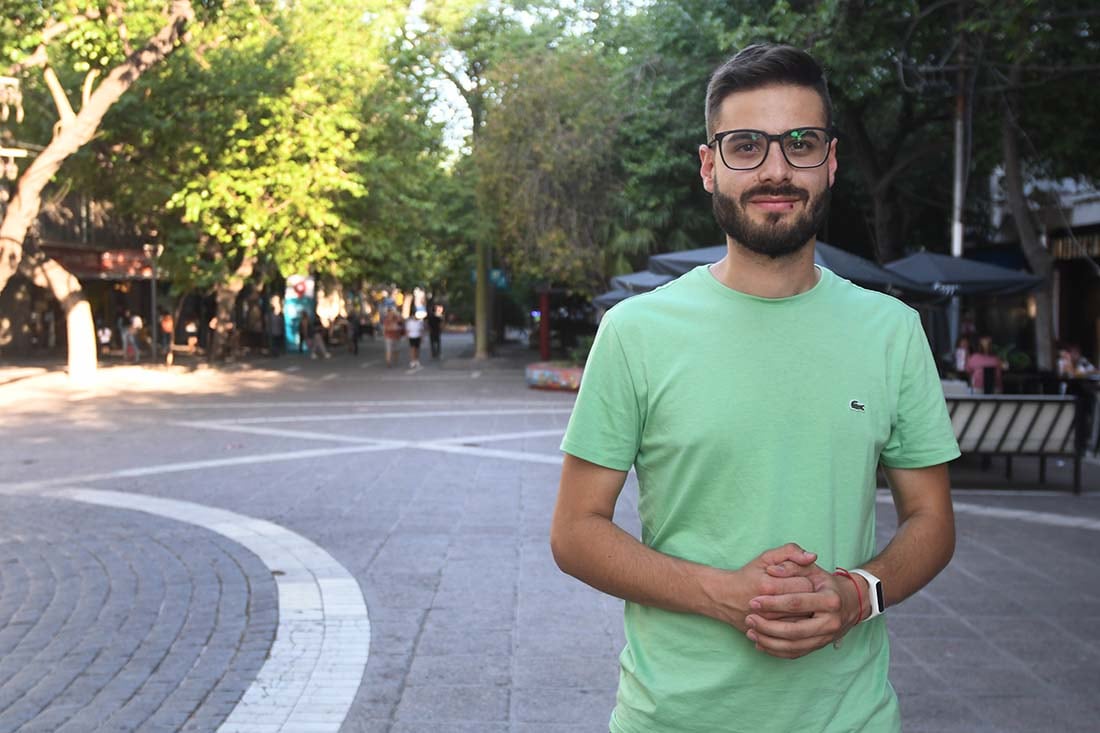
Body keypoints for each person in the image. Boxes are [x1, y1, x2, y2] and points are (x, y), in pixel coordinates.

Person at [550, 44, 959, 733]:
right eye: (746, 145)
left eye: (800, 143)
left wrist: (857, 594)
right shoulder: (634, 331)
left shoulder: (892, 330)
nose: (776, 169)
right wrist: (722, 595)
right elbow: (575, 531)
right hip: (672, 717)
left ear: (830, 161)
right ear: (710, 167)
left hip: (850, 717)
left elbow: (932, 520)